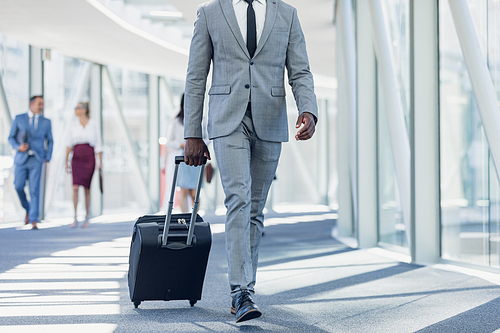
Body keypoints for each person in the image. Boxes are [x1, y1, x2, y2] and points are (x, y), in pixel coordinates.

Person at [183, 0, 318, 323]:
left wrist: (308, 109)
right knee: (238, 199)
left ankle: (246, 289)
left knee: (255, 208)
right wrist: (192, 132)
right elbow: (196, 75)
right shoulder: (210, 13)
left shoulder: (287, 14)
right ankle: (239, 291)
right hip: (227, 120)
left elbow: (299, 70)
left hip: (270, 120)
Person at [8, 95, 53, 230]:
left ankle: (33, 219)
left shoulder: (46, 122)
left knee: (34, 190)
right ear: (32, 104)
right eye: (39, 104)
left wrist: (48, 156)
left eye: (42, 104)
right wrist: (18, 147)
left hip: (37, 159)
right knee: (18, 186)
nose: (41, 107)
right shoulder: (19, 118)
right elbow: (11, 137)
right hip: (22, 158)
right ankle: (28, 208)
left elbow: (50, 140)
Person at [65, 102, 103, 228]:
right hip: (76, 157)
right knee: (75, 187)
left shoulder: (93, 124)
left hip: (89, 157)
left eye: (78, 108)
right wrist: (66, 161)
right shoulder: (73, 126)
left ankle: (87, 216)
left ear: (85, 109)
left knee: (87, 188)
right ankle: (75, 216)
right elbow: (69, 145)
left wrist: (100, 162)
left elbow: (98, 144)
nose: (75, 110)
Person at [165, 94, 201, 213]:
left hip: (196, 157)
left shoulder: (201, 118)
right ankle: (185, 218)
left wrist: (198, 145)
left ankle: (195, 219)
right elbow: (169, 142)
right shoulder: (176, 121)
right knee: (184, 190)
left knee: (195, 192)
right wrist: (181, 144)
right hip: (183, 158)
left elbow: (207, 137)